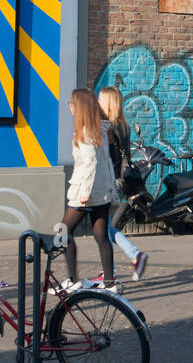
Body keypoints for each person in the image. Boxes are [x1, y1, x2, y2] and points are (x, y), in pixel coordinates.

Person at [59, 88, 117, 290]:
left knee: (63, 231)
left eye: (72, 103)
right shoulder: (100, 129)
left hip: (86, 194)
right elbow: (107, 163)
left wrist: (84, 192)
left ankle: (73, 280)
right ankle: (110, 283)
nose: (69, 106)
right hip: (101, 194)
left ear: (79, 107)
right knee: (101, 235)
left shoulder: (84, 132)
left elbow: (91, 163)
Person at [97, 86, 149, 281]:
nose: (97, 101)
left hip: (108, 181)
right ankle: (110, 270)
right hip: (119, 180)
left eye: (100, 99)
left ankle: (132, 256)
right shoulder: (123, 125)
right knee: (104, 227)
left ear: (108, 102)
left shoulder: (108, 127)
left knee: (102, 228)